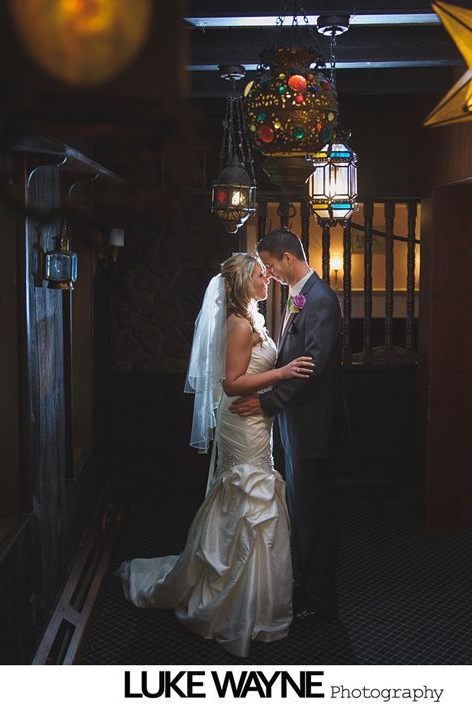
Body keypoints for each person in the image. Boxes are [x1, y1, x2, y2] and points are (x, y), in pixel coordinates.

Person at [118, 253, 314, 658]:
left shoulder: (254, 318)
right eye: (262, 275)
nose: (268, 279)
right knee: (247, 496)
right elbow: (231, 384)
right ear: (245, 283)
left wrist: (271, 392)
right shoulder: (239, 324)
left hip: (256, 418)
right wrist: (282, 373)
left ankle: (259, 604)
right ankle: (232, 603)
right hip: (241, 420)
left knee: (255, 497)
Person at [230, 228, 343, 622]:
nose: (270, 273)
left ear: (288, 259)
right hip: (294, 426)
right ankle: (307, 585)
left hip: (312, 428)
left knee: (314, 515)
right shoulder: (298, 298)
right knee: (301, 509)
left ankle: (319, 598)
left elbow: (309, 369)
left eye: (272, 265)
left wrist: (264, 403)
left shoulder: (321, 301)